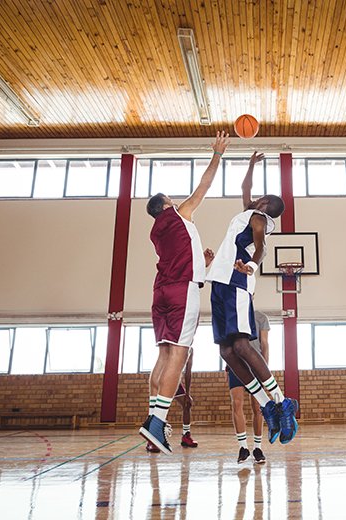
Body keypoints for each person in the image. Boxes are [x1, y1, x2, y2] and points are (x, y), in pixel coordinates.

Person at [139, 131, 230, 454]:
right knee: (180, 353)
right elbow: (203, 187)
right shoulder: (178, 215)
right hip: (181, 292)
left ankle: (153, 420)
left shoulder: (157, 231)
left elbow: (180, 260)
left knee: (164, 354)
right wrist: (217, 154)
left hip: (161, 292)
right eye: (171, 200)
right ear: (166, 205)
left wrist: (201, 264)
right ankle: (157, 423)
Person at [206, 151, 298, 445]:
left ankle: (282, 402)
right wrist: (250, 164)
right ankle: (267, 405)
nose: (255, 197)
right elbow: (244, 189)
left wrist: (252, 266)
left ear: (266, 205)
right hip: (219, 281)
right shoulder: (248, 211)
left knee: (243, 345)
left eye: (261, 198)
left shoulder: (259, 218)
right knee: (227, 352)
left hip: (236, 280)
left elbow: (260, 248)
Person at [227, 307, 270, 464]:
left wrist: (264, 368)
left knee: (258, 408)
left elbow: (264, 344)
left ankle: (257, 448)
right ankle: (243, 448)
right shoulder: (232, 315)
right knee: (236, 404)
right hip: (236, 365)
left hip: (255, 365)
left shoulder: (261, 317)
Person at [146, 349, 197, 452]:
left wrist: (187, 393)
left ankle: (186, 435)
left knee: (187, 404)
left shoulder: (190, 350)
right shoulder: (173, 344)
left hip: (175, 380)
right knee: (156, 408)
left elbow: (188, 372)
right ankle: (151, 439)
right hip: (161, 377)